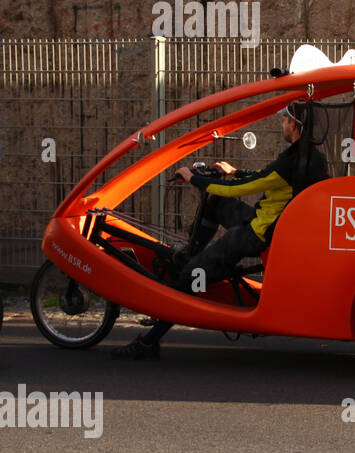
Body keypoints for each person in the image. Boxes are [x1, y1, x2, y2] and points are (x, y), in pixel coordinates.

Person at [112, 100, 330, 358]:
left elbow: (237, 189)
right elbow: (264, 177)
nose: (281, 124)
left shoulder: (290, 162)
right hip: (271, 222)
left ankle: (149, 341)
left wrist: (195, 179)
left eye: (284, 120)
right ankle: (190, 255)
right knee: (215, 205)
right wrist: (236, 171)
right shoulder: (310, 157)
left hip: (258, 233)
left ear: (295, 124)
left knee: (191, 276)